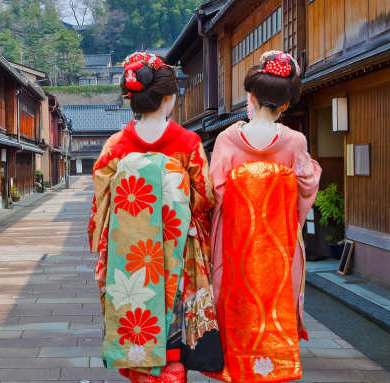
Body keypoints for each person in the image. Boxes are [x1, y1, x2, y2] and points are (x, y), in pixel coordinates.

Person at [88, 52, 223, 382]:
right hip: (176, 253)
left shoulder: (116, 147)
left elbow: (101, 206)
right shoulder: (188, 143)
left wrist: (102, 238)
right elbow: (205, 198)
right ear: (169, 99)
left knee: (137, 325)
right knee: (172, 342)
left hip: (130, 257)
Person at [205, 51, 322, 382]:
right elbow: (306, 186)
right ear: (285, 105)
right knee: (275, 311)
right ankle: (274, 367)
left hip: (235, 249)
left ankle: (237, 369)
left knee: (237, 312)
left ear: (251, 96)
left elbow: (214, 193)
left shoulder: (228, 139)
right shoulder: (294, 141)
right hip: (277, 251)